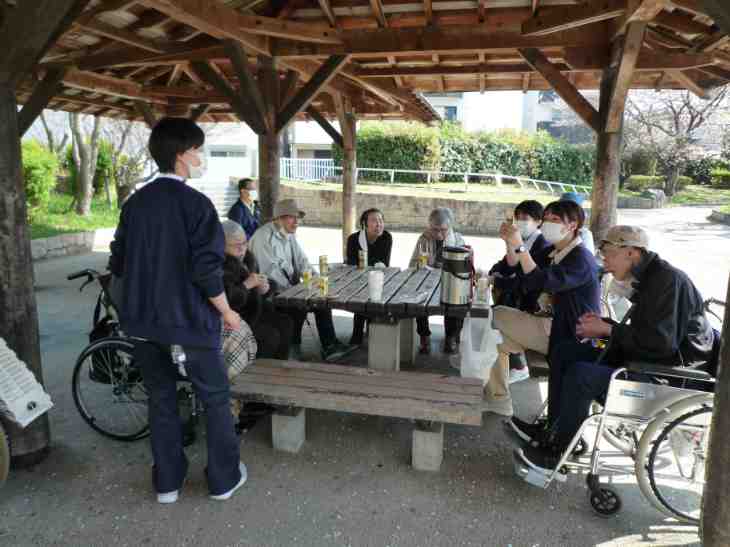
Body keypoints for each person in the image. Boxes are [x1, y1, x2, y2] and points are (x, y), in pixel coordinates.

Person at [109, 117, 246, 504]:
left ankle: (167, 483)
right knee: (215, 398)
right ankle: (223, 480)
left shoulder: (134, 204)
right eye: (198, 150)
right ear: (182, 155)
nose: (201, 157)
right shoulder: (197, 205)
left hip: (143, 324)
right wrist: (227, 312)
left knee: (161, 399)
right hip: (189, 323)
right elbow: (206, 271)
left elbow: (118, 262)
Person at [514, 225, 719, 476]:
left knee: (582, 376)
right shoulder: (651, 277)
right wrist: (605, 327)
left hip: (670, 374)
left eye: (609, 254)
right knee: (565, 352)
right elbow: (649, 333)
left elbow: (662, 344)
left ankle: (557, 452)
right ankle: (553, 430)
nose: (605, 262)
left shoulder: (667, 281)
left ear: (631, 253)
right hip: (649, 358)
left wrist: (608, 330)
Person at [486, 200, 601, 417]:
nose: (548, 223)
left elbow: (539, 280)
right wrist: (508, 248)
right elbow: (519, 272)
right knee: (493, 338)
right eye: (547, 218)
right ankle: (498, 400)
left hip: (569, 334)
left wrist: (520, 246)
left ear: (572, 225)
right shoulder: (554, 251)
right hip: (549, 326)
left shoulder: (580, 258)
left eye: (555, 219)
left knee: (494, 315)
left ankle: (508, 391)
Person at [249, 198, 353, 362]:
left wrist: (316, 280)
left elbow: (302, 261)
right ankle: (293, 347)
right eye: (292, 217)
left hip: (290, 289)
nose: (297, 222)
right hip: (269, 293)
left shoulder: (288, 235)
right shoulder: (263, 238)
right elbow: (271, 274)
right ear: (279, 218)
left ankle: (330, 346)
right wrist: (298, 292)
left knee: (321, 298)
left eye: (297, 218)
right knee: (298, 306)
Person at [489, 200, 550, 384]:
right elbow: (509, 265)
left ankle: (517, 365)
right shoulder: (525, 240)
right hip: (522, 299)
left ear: (538, 221)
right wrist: (509, 243)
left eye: (525, 218)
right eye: (518, 217)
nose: (520, 222)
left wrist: (497, 280)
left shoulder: (543, 245)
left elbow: (523, 281)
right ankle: (504, 371)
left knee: (490, 316)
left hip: (530, 305)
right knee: (490, 316)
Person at [221, 219, 293, 360]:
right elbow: (226, 300)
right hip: (236, 319)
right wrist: (246, 286)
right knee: (269, 336)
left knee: (286, 322)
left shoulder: (248, 259)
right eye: (236, 245)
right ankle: (258, 369)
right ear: (222, 245)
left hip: (255, 311)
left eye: (244, 243)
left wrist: (266, 288)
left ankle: (279, 366)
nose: (242, 249)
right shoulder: (220, 265)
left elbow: (261, 281)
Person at [409, 207, 465, 355]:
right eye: (435, 230)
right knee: (418, 300)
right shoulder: (424, 238)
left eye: (443, 230)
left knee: (455, 301)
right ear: (429, 226)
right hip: (427, 282)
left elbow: (461, 268)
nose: (439, 234)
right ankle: (424, 336)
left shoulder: (457, 239)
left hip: (450, 283)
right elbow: (412, 265)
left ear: (450, 227)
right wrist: (421, 264)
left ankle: (450, 337)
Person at [345, 208, 393, 345]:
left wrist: (371, 267)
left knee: (374, 295)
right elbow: (352, 264)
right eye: (374, 221)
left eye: (381, 220)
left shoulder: (386, 237)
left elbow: (384, 264)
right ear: (364, 224)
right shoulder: (354, 239)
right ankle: (357, 334)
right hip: (357, 279)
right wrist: (371, 267)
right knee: (362, 297)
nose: (379, 224)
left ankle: (369, 332)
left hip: (378, 278)